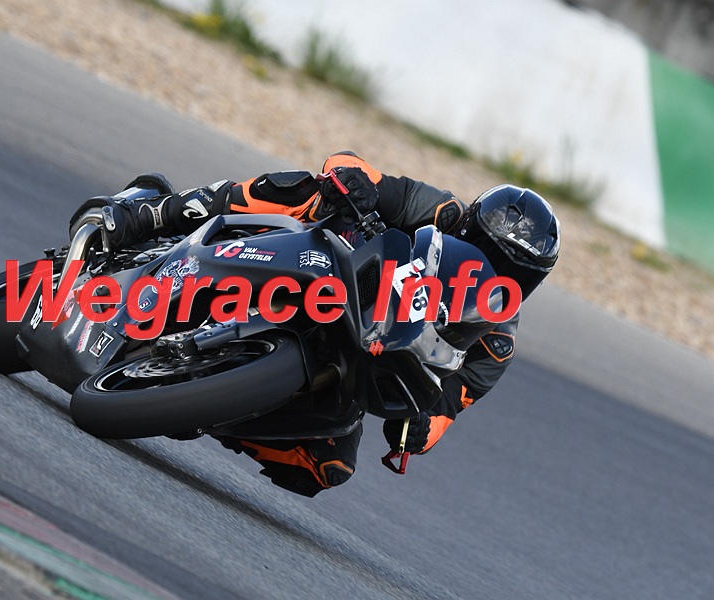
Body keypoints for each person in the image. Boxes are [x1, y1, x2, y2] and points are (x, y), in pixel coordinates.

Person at [81, 152, 560, 497]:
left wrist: (419, 428)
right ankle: (153, 212)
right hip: (330, 267)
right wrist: (354, 183)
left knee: (327, 466)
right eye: (495, 255)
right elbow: (356, 168)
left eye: (519, 273)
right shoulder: (441, 213)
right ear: (471, 228)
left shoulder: (496, 341)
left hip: (364, 347)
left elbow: (447, 405)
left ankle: (201, 405)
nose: (499, 274)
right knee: (303, 189)